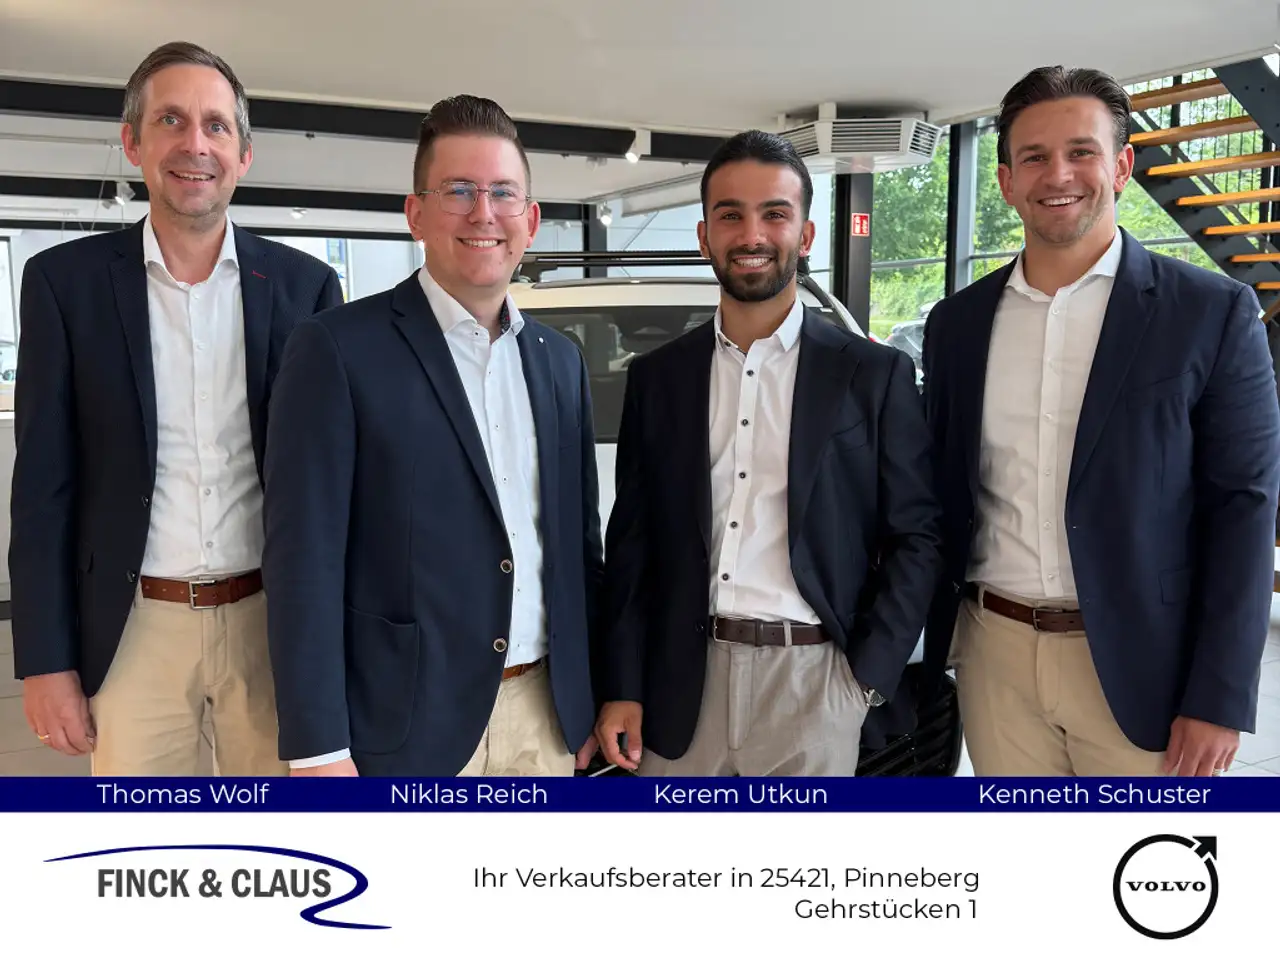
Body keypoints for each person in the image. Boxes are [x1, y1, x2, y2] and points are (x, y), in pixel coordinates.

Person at [921, 65, 1280, 777]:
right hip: (995, 656)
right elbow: (940, 490)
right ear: (1007, 181)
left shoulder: (1209, 313)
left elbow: (1244, 507)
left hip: (1145, 663)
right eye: (1034, 157)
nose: (1058, 174)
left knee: (1137, 849)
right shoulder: (957, 325)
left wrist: (1219, 695)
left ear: (1121, 167)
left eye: (1081, 151)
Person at [10, 41, 342, 774]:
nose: (196, 144)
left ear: (243, 154)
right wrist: (45, 660)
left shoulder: (307, 290)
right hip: (132, 630)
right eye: (171, 120)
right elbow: (42, 488)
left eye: (217, 125)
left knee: (284, 834)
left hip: (272, 626)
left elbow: (328, 487)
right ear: (134, 143)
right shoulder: (64, 285)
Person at [262, 95, 602, 777]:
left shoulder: (560, 362)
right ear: (415, 213)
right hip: (406, 725)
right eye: (459, 191)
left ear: (531, 219)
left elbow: (577, 547)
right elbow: (304, 561)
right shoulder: (337, 348)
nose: (484, 213)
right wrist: (319, 746)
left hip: (547, 720)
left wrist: (589, 698)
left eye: (503, 193)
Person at [593, 130, 943, 776]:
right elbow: (633, 547)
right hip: (680, 683)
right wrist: (623, 684)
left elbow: (917, 537)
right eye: (730, 215)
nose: (751, 235)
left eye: (774, 214)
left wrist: (863, 680)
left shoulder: (873, 375)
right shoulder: (658, 379)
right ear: (705, 236)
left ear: (805, 235)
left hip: (814, 684)